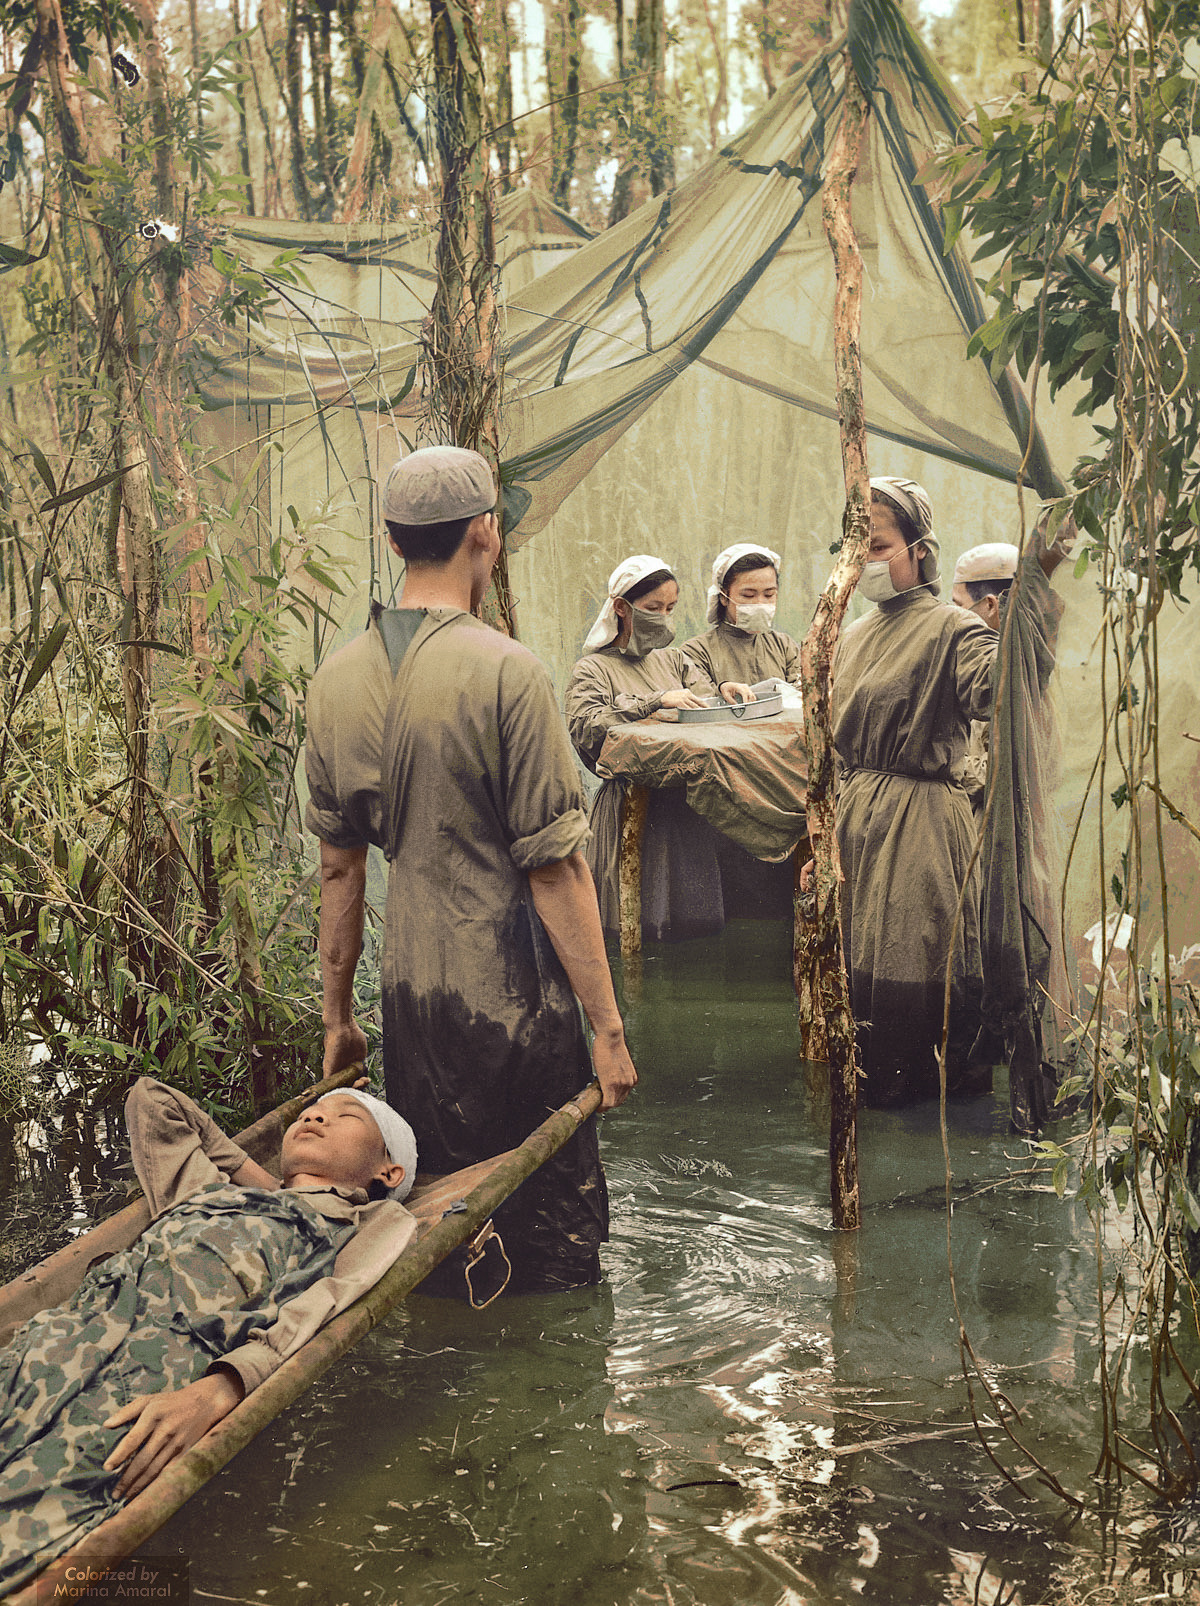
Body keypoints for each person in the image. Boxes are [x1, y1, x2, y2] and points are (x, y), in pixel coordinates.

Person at [305, 445, 637, 1297]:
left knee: (445, 1226)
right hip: (513, 1000)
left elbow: (339, 876)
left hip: (412, 1001)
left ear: (393, 539)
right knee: (556, 1245)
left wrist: (340, 1016)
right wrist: (605, 1028)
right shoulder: (507, 671)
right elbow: (556, 873)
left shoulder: (334, 683)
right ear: (484, 534)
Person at [0, 1078, 418, 1591]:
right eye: (310, 1112)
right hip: (56, 1340)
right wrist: (272, 1184)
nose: (315, 1117)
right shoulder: (208, 1190)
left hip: (150, 1381)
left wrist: (220, 1389)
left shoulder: (367, 1220)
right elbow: (152, 1101)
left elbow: (328, 1301)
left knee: (29, 1520)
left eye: (345, 1116)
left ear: (388, 1171)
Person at [827, 477, 1068, 1107]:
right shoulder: (851, 634)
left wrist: (1035, 595)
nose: (865, 561)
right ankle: (878, 1117)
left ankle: (930, 1130)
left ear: (919, 550)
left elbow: (1003, 687)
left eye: (877, 545)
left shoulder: (951, 629)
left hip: (922, 825)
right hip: (860, 822)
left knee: (920, 969)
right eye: (855, 547)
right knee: (861, 981)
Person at [563, 556, 749, 942]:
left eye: (670, 609)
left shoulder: (675, 660)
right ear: (620, 607)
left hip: (686, 812)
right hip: (631, 813)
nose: (663, 617)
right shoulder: (593, 669)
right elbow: (588, 727)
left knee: (694, 929)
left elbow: (704, 708)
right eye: (652, 609)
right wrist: (653, 701)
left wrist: (724, 694)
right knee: (634, 927)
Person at [950, 542, 1020, 815]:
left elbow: (1000, 772)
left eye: (959, 606)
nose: (954, 616)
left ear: (990, 605)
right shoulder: (983, 662)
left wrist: (939, 760)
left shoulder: (1010, 671)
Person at [682, 542, 803, 693]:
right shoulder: (696, 652)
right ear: (724, 597)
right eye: (748, 595)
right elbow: (705, 704)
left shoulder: (784, 646)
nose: (760, 603)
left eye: (769, 594)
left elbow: (803, 699)